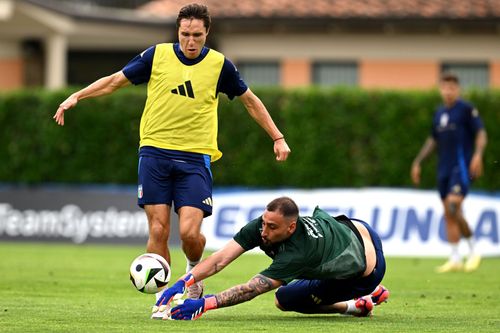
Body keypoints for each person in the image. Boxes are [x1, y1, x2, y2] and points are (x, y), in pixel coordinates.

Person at [53, 3, 291, 317]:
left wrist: (277, 136)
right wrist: (77, 96)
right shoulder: (156, 56)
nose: (190, 41)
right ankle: (163, 298)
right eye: (185, 34)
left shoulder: (220, 65)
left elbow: (250, 101)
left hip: (194, 158)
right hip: (153, 153)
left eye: (197, 35)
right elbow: (114, 81)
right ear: (178, 32)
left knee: (191, 234)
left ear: (207, 33)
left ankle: (193, 269)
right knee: (158, 230)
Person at [153, 196, 389, 320]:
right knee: (290, 293)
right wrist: (183, 282)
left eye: (272, 227)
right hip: (357, 229)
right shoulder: (262, 227)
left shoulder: (298, 253)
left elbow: (251, 289)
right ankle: (367, 297)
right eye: (264, 223)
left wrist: (204, 304)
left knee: (284, 300)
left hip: (365, 270)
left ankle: (357, 303)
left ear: (291, 228)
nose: (264, 232)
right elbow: (220, 259)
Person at [411, 72, 487, 273]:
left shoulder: (466, 109)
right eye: (445, 87)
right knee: (448, 213)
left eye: (452, 87)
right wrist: (418, 162)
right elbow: (433, 140)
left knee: (454, 206)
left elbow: (481, 133)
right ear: (440, 89)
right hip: (443, 169)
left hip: (460, 167)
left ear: (458, 89)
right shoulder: (439, 113)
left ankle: (473, 251)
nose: (448, 91)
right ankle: (455, 258)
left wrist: (478, 155)